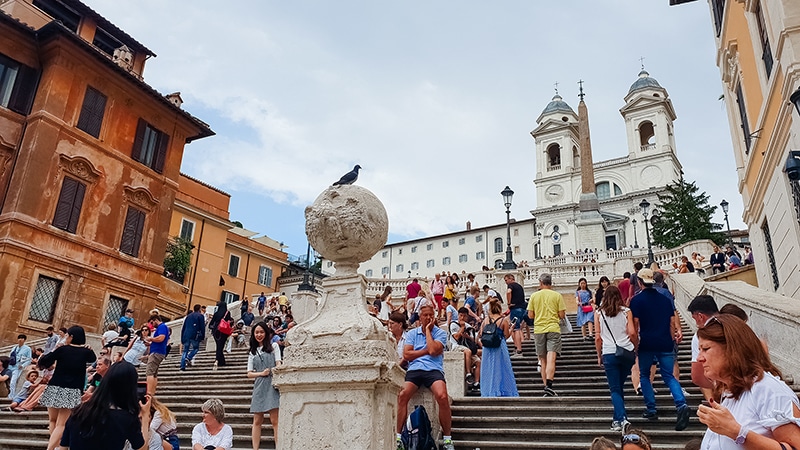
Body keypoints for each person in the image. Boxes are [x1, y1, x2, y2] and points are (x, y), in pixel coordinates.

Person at [696, 314, 800, 448]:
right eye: (699, 350)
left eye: (705, 349)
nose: (699, 358)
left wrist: (736, 432)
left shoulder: (768, 390)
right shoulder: (730, 392)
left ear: (732, 349)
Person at [629, 268, 690, 431]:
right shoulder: (664, 299)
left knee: (644, 374)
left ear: (640, 282)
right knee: (669, 376)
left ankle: (651, 409)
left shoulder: (636, 301)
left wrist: (635, 345)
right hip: (665, 342)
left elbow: (634, 326)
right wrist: (672, 339)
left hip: (647, 343)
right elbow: (671, 322)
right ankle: (681, 404)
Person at [396, 305, 454, 450]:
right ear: (420, 317)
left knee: (442, 396)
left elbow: (434, 351)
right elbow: (407, 355)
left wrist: (428, 331)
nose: (428, 318)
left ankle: (447, 439)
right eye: (425, 315)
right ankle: (398, 437)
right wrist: (426, 351)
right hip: (415, 369)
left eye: (430, 315)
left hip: (433, 370)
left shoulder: (440, 333)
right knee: (402, 395)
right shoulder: (411, 334)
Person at [60, 361, 153, 450]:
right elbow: (142, 447)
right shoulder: (126, 418)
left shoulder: (78, 411)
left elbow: (63, 446)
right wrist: (145, 417)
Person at [37, 326, 97, 450]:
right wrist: (88, 347)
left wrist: (54, 350)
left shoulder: (62, 350)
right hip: (72, 389)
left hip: (55, 387)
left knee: (52, 421)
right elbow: (93, 359)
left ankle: (52, 447)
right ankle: (52, 448)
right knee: (61, 424)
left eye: (67, 335)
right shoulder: (86, 352)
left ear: (71, 336)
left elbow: (45, 361)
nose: (65, 337)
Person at [594, 286, 636, 431]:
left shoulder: (599, 313)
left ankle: (622, 419)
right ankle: (616, 420)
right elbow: (632, 333)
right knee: (619, 387)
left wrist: (599, 355)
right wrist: (635, 346)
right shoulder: (626, 312)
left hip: (609, 352)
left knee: (615, 389)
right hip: (626, 352)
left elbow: (598, 337)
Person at [527, 273, 566, 397]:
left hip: (539, 329)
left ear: (540, 282)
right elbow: (562, 315)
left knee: (542, 360)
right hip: (553, 328)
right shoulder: (557, 295)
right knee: (551, 358)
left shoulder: (534, 296)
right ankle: (549, 385)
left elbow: (530, 316)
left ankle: (546, 386)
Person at [248, 321, 281, 449]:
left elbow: (279, 363)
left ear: (266, 333)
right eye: (257, 332)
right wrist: (261, 373)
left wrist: (274, 370)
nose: (259, 335)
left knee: (275, 420)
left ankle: (279, 446)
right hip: (260, 384)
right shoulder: (253, 351)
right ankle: (255, 448)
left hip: (272, 384)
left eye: (262, 332)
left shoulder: (274, 346)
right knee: (257, 420)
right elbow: (249, 373)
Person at [479, 298, 518, 397]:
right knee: (501, 368)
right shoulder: (503, 320)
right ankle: (501, 389)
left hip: (487, 348)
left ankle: (488, 390)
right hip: (499, 347)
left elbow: (480, 334)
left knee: (488, 369)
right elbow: (506, 336)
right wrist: (511, 328)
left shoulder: (486, 320)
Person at [687, 295, 718, 401]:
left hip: (724, 389)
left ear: (700, 316)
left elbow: (697, 376)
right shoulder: (736, 325)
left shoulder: (700, 336)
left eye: (695, 318)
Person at [449, 307, 480, 391]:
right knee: (468, 351)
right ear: (458, 315)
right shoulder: (453, 324)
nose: (462, 318)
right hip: (456, 346)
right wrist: (462, 328)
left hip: (466, 346)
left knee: (478, 362)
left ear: (467, 317)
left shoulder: (469, 327)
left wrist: (468, 337)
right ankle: (468, 373)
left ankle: (476, 383)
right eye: (460, 315)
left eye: (464, 316)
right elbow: (456, 337)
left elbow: (474, 340)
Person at [145, 314, 170, 395]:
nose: (152, 325)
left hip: (156, 352)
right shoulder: (162, 327)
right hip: (159, 351)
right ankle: (152, 392)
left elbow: (161, 338)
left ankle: (148, 392)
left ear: (156, 320)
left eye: (152, 323)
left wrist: (151, 339)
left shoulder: (162, 327)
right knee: (154, 373)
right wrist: (150, 343)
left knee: (149, 372)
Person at [505, 273, 526, 358]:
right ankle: (516, 347)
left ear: (511, 278)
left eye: (506, 280)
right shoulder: (520, 287)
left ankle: (519, 350)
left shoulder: (511, 285)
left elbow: (508, 292)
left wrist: (509, 303)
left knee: (515, 328)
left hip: (515, 309)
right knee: (516, 328)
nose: (506, 282)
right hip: (522, 309)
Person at [181, 304, 206, 371]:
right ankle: (189, 357)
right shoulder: (200, 316)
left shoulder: (188, 316)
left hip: (186, 335)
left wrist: (182, 337)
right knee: (196, 348)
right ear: (199, 309)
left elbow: (184, 327)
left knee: (185, 351)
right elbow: (202, 327)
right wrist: (203, 336)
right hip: (195, 335)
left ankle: (182, 366)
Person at [7, 334, 31, 400]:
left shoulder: (27, 349)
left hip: (18, 367)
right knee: (8, 381)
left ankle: (11, 396)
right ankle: (10, 393)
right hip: (10, 366)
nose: (20, 339)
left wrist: (23, 365)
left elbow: (29, 359)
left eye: (22, 338)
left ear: (24, 340)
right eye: (19, 338)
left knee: (13, 382)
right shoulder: (14, 347)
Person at [209, 300, 231, 367]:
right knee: (220, 347)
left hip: (216, 331)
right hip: (224, 332)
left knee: (218, 346)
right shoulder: (227, 313)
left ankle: (220, 361)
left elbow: (211, 323)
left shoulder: (216, 313)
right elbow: (229, 321)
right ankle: (218, 360)